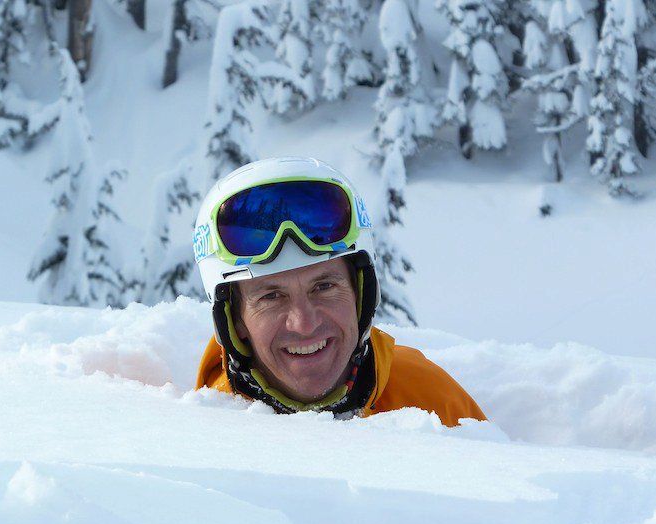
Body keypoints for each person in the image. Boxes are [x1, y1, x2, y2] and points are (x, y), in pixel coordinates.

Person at [193, 156, 485, 425]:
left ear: (361, 295)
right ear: (236, 321)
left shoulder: (432, 402)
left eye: (324, 286)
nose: (305, 324)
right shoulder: (209, 435)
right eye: (271, 296)